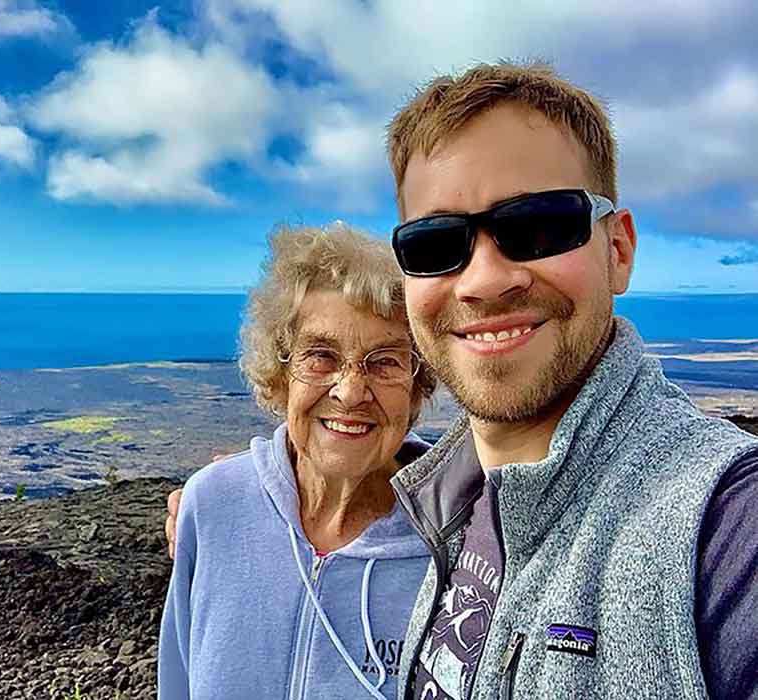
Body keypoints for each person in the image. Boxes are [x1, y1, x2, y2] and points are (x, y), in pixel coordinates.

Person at [166, 63, 758, 699]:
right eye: (435, 241)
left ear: (617, 249)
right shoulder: (450, 509)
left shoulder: (724, 524)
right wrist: (235, 494)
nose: (483, 279)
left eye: (538, 225)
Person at [157, 223, 438, 699]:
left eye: (385, 361)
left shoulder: (460, 542)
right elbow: (177, 682)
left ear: (417, 389)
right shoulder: (210, 506)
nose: (350, 391)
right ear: (280, 375)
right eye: (321, 356)